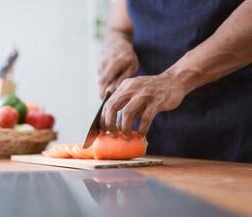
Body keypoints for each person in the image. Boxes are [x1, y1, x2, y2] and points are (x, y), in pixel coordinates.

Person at [98, 0, 252, 162]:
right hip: (146, 125)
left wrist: (176, 78)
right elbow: (118, 27)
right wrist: (116, 45)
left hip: (233, 122)